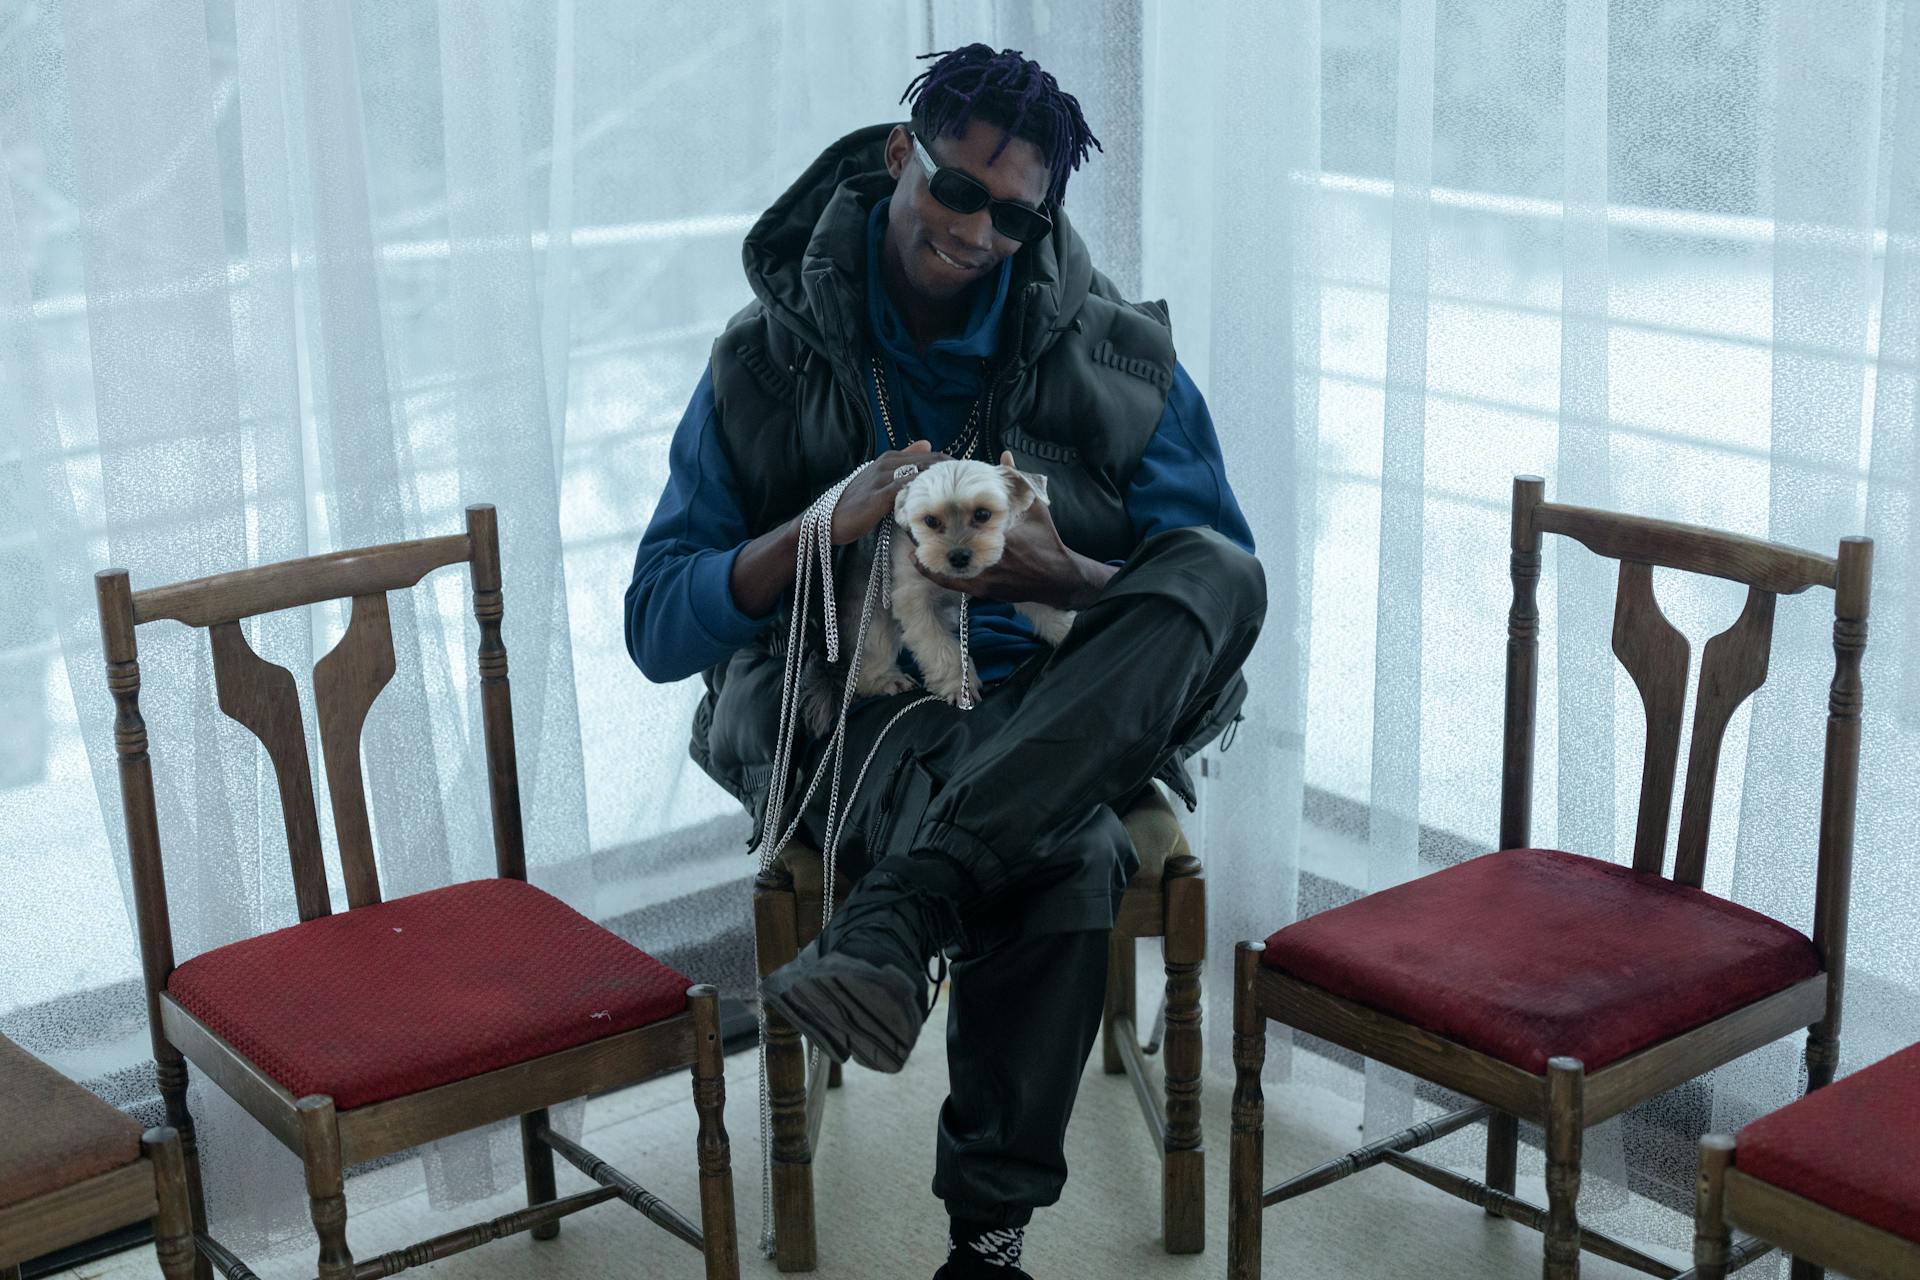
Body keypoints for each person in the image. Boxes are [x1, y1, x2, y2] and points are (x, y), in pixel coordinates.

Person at [624, 44, 1264, 1280]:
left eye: (1016, 214)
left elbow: (1206, 607)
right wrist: (824, 525)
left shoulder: (1122, 358)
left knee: (1225, 571)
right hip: (860, 706)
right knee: (1067, 850)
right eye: (958, 193)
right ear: (897, 157)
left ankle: (901, 908)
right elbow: (660, 621)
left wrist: (1056, 576)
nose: (979, 233)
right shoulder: (761, 363)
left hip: (1061, 694)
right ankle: (989, 1248)